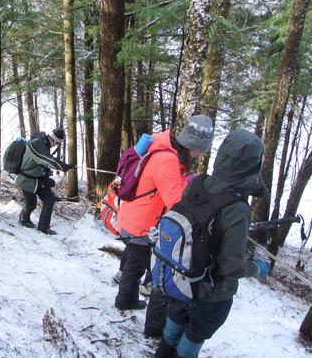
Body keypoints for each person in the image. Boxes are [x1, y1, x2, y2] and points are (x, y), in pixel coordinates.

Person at [154, 128, 271, 358]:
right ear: (252, 167)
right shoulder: (237, 209)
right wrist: (257, 267)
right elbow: (230, 266)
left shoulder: (197, 183)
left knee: (174, 324)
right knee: (193, 337)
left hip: (181, 276)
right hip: (211, 292)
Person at [114, 115, 214, 321]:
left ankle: (126, 298)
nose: (197, 155)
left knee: (134, 262)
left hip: (133, 216)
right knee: (148, 268)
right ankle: (139, 312)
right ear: (190, 144)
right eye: (198, 151)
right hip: (143, 224)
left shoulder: (162, 144)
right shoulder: (168, 160)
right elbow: (175, 201)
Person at [16, 128, 75, 235]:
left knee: (49, 199)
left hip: (37, 179)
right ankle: (25, 220)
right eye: (57, 144)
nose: (56, 146)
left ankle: (41, 227)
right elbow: (47, 160)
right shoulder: (38, 144)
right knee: (32, 203)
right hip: (27, 179)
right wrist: (64, 166)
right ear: (55, 141)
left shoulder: (43, 143)